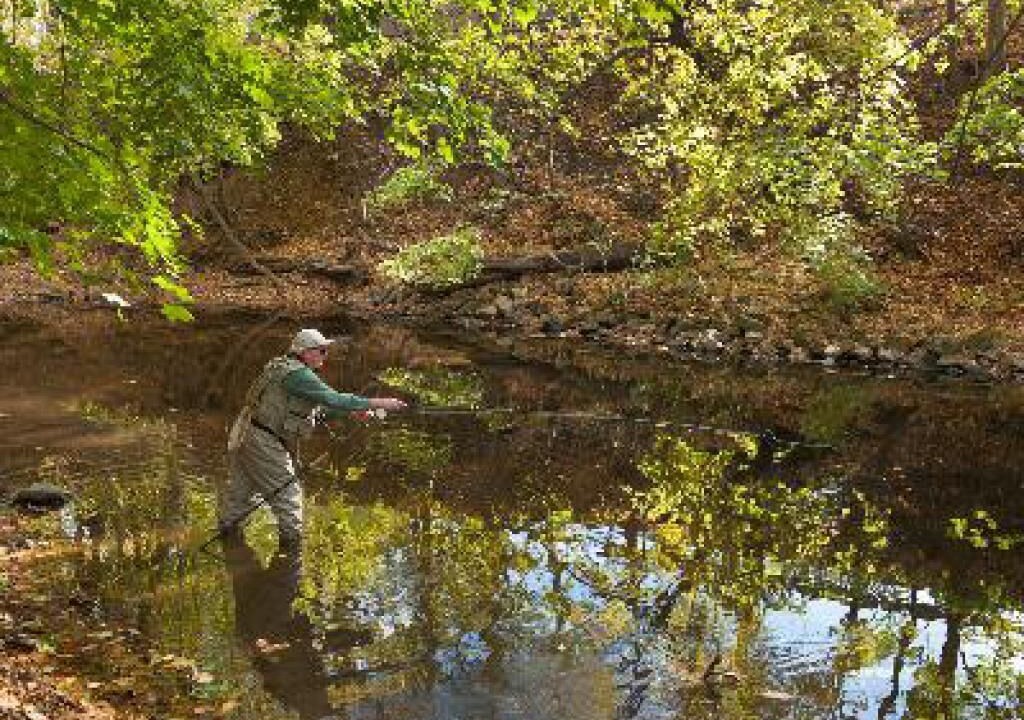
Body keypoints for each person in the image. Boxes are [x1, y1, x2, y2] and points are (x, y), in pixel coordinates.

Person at [219, 328, 406, 548]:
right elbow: (333, 398)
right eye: (322, 350)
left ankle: (230, 544)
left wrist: (351, 411)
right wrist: (379, 403)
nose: (325, 355)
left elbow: (313, 409)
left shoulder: (284, 367)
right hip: (263, 441)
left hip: (248, 434)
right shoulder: (299, 375)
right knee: (289, 497)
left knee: (240, 496)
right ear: (305, 352)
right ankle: (291, 557)